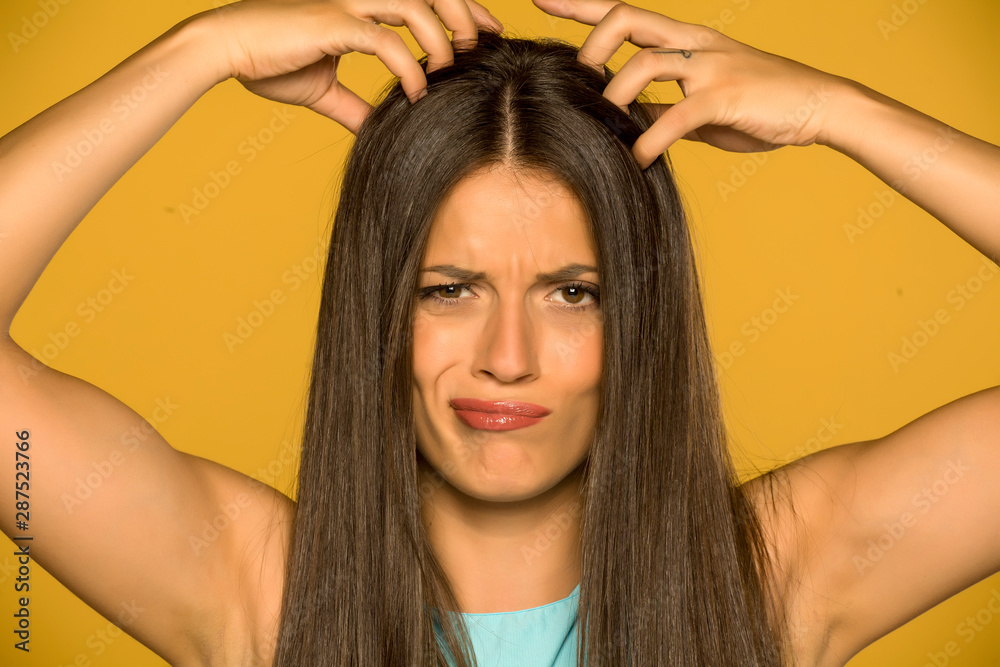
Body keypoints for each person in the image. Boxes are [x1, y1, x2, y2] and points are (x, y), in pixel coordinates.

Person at [0, 0, 998, 665]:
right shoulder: (254, 590)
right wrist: (198, 51)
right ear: (379, 307)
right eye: (449, 289)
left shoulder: (779, 574)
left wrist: (839, 111)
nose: (507, 359)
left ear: (641, 312)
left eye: (572, 293)